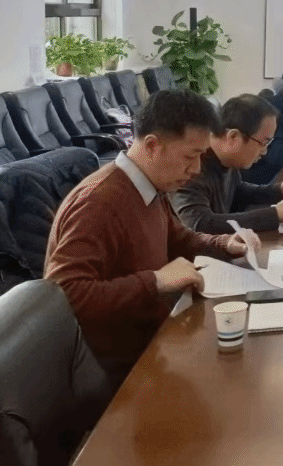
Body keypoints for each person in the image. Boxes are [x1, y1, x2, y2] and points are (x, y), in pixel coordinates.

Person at [44, 90, 261, 382]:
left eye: (201, 156)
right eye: (190, 156)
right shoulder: (99, 203)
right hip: (120, 369)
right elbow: (64, 294)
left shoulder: (149, 186)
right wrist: (156, 281)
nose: (196, 169)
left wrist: (226, 244)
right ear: (152, 145)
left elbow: (178, 239)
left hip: (156, 339)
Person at [170, 94, 283, 234]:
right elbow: (200, 224)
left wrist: (280, 190)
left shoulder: (226, 159)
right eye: (263, 142)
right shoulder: (191, 165)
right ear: (233, 137)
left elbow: (237, 191)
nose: (265, 151)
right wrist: (274, 214)